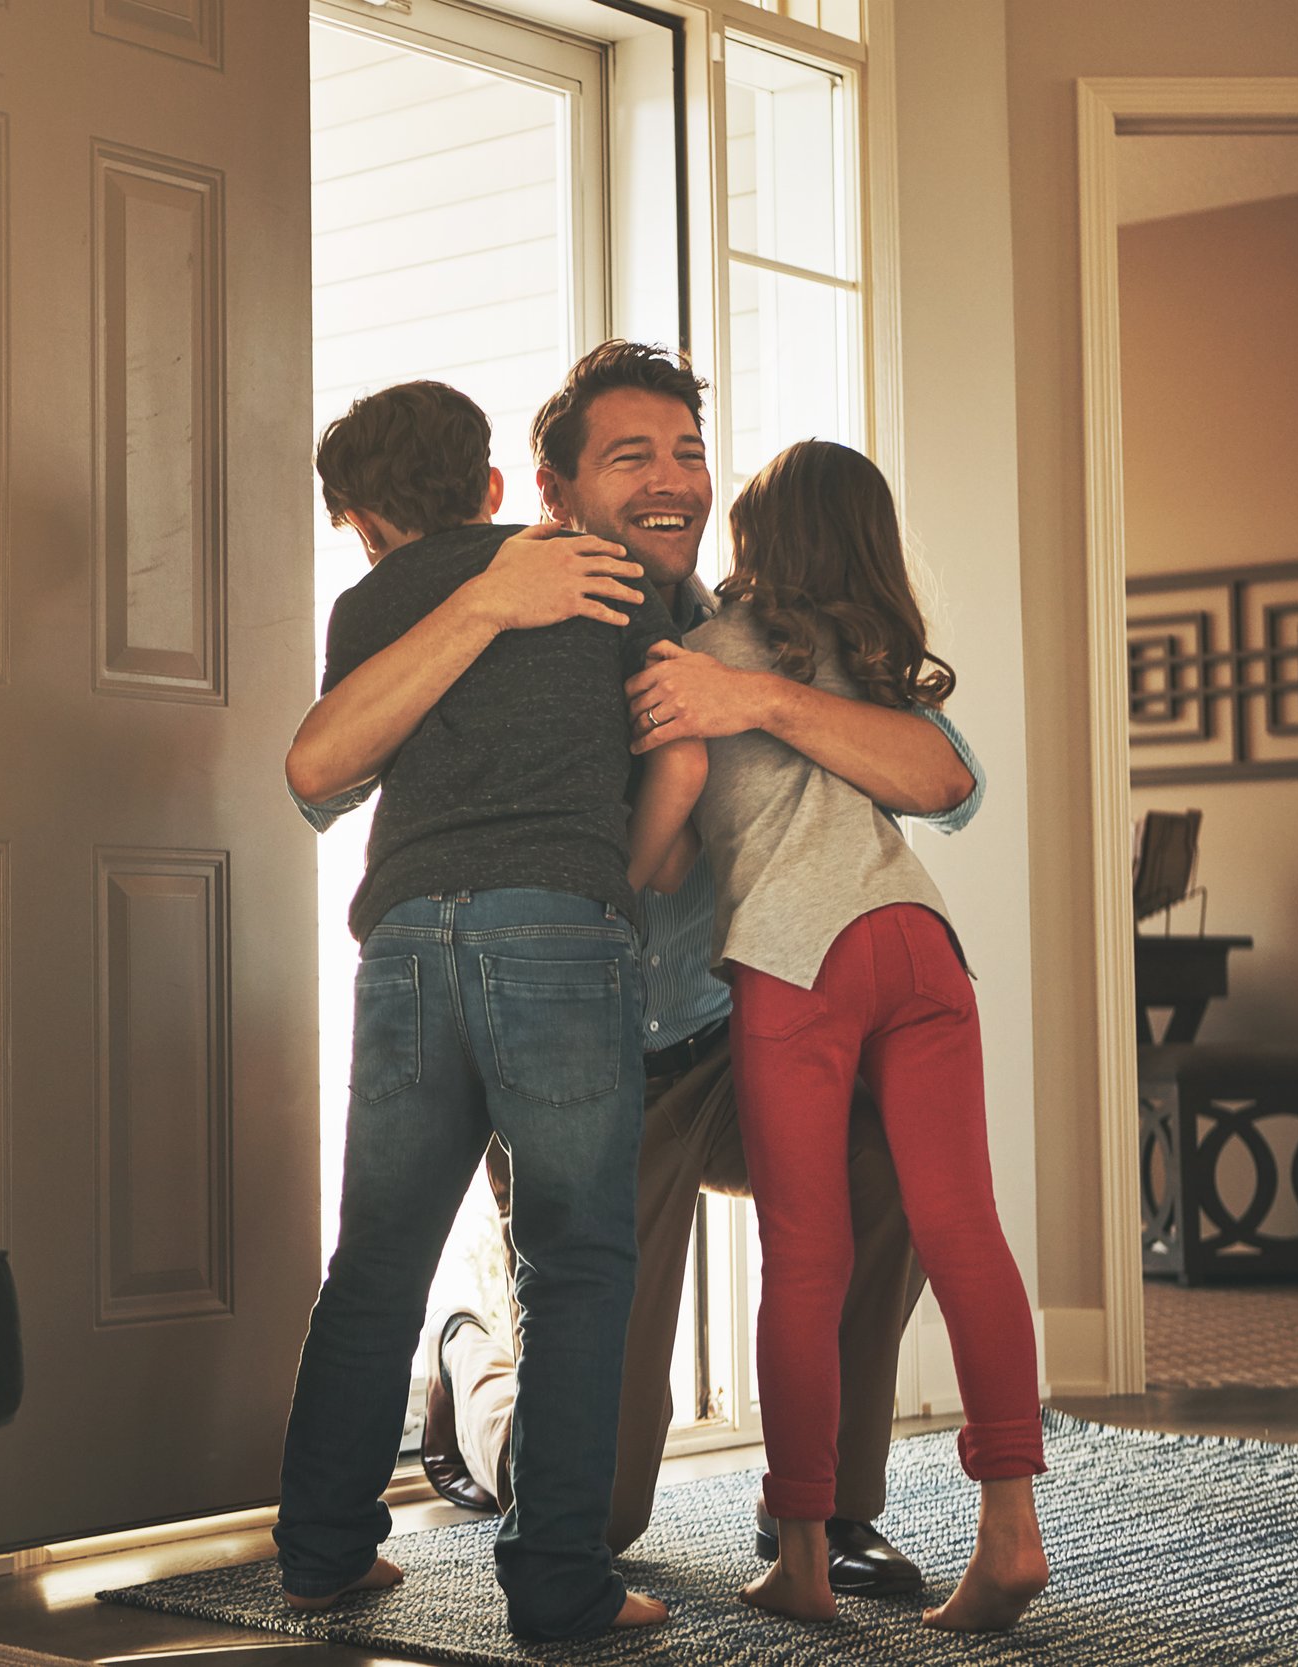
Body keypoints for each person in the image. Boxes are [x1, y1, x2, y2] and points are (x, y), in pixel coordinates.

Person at [289, 340, 984, 1600]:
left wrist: (751, 701)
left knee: (882, 1157)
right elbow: (323, 778)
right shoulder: (527, 604)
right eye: (631, 457)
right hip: (587, 1040)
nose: (672, 480)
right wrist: (495, 607)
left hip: (726, 1042)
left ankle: (820, 1510)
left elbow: (946, 779)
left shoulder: (752, 630)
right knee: (595, 1489)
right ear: (547, 497)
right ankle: (472, 1372)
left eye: (686, 451)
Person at [273, 379, 705, 1641]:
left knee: (376, 1262)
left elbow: (329, 772)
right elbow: (677, 750)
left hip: (405, 936)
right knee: (574, 1262)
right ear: (495, 489)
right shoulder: (600, 574)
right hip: (558, 931)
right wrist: (604, 889)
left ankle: (321, 1549)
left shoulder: (367, 604)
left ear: (360, 522)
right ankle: (559, 1585)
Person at [687, 438, 1046, 1630]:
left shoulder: (708, 651)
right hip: (920, 941)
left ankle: (799, 1554)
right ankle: (1009, 1535)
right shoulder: (873, 664)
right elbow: (943, 787)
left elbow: (673, 814)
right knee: (965, 1232)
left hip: (799, 954)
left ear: (756, 537)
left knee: (804, 1254)